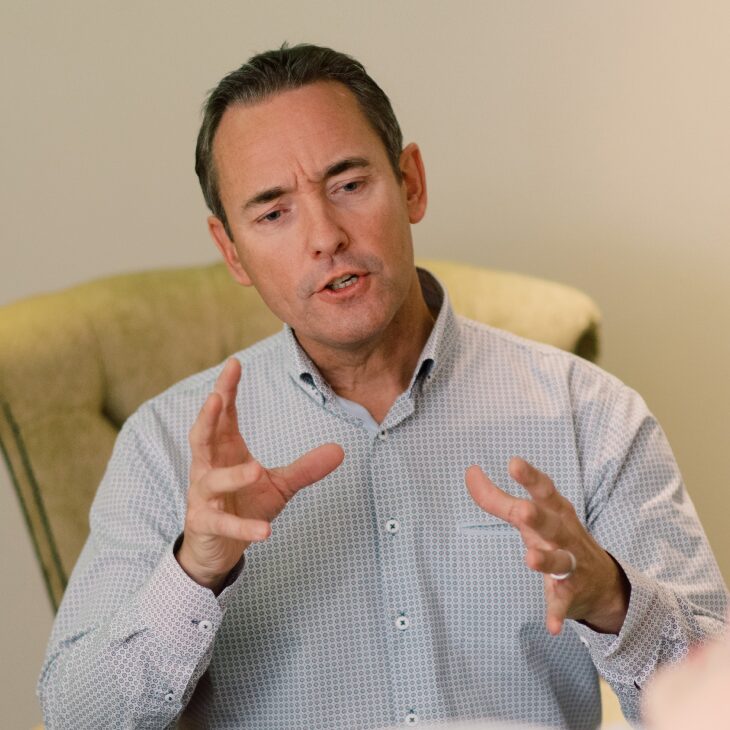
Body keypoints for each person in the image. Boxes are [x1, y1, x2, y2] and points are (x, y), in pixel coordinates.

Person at [38, 43, 727, 729]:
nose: (325, 237)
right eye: (273, 213)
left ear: (411, 184)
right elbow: (76, 719)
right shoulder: (166, 443)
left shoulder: (589, 413)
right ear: (231, 252)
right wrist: (196, 570)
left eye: (348, 185)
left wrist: (612, 598)